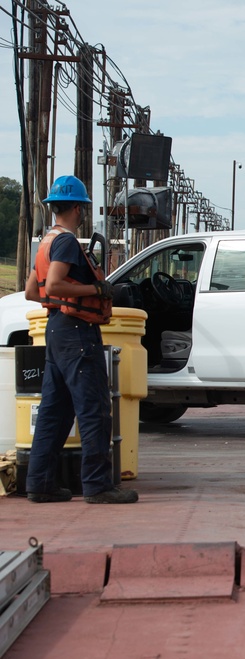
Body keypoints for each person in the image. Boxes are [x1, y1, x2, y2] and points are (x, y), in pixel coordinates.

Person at [24, 175, 138, 505]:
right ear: (78, 208)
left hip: (57, 330)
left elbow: (35, 291)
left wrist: (65, 301)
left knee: (54, 411)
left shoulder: (46, 241)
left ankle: (40, 483)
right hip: (76, 333)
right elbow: (57, 285)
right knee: (94, 410)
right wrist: (95, 290)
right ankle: (98, 486)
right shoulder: (67, 243)